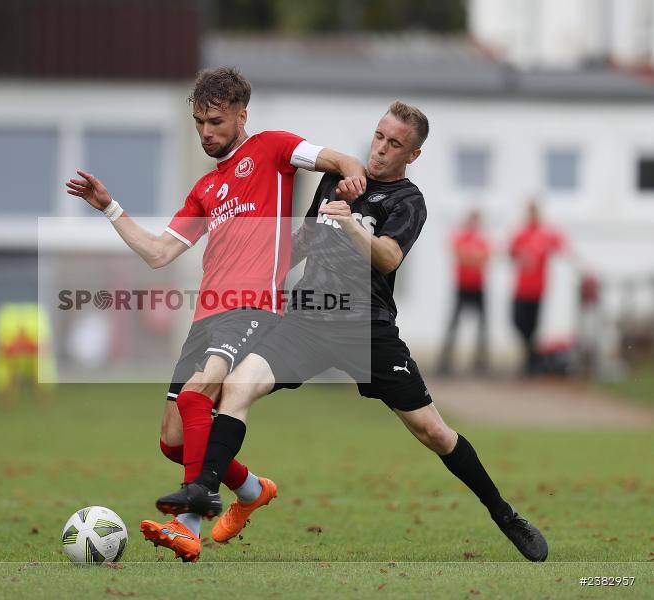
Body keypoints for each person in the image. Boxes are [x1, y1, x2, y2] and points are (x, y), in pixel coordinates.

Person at [156, 101, 549, 563]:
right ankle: (203, 494)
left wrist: (349, 224)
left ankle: (505, 515)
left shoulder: (408, 201)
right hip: (306, 319)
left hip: (367, 330)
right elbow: (301, 240)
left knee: (433, 432)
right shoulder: (338, 179)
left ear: (413, 155)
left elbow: (387, 257)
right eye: (379, 137)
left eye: (394, 144)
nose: (380, 150)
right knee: (236, 388)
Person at [65, 66, 367, 561]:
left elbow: (338, 158)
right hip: (205, 317)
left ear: (241, 115)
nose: (206, 132)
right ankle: (250, 491)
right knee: (173, 440)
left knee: (199, 394)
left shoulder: (272, 149)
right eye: (199, 123)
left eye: (216, 122)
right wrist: (109, 207)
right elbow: (159, 252)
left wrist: (353, 178)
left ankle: (189, 523)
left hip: (252, 308)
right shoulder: (206, 189)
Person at [509, 200, 567, 375]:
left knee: (533, 326)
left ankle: (531, 363)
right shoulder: (521, 234)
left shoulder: (546, 234)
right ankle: (534, 357)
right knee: (518, 321)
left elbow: (562, 247)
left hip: (537, 289)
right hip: (521, 288)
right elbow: (511, 253)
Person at [437, 209, 491, 375]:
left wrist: (472, 257)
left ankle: (480, 363)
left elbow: (483, 258)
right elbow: (461, 255)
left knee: (483, 326)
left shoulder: (482, 239)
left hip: (478, 286)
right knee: (453, 325)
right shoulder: (460, 237)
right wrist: (473, 257)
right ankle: (445, 362)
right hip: (462, 286)